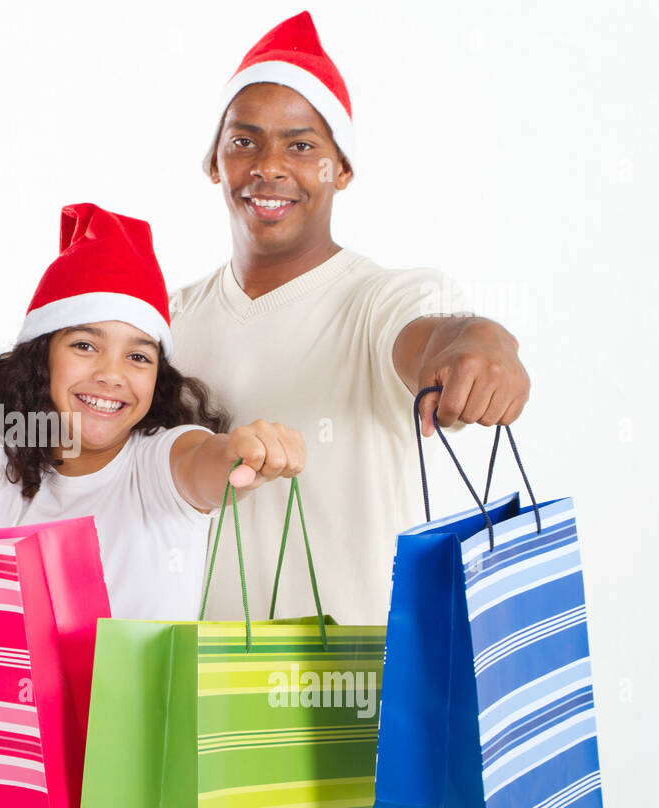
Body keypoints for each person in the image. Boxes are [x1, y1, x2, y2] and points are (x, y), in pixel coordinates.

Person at [171, 11, 531, 624]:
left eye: (302, 145)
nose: (269, 165)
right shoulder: (167, 318)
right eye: (244, 141)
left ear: (341, 170)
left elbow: (439, 331)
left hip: (355, 693)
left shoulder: (378, 300)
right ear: (214, 163)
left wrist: (482, 343)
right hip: (202, 688)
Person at [0, 203, 304, 621]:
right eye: (85, 346)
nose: (111, 376)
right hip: (8, 703)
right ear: (42, 358)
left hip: (141, 704)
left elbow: (205, 463)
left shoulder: (160, 462)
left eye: (138, 357)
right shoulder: (0, 458)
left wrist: (244, 452)